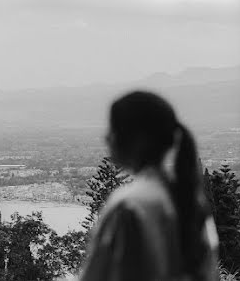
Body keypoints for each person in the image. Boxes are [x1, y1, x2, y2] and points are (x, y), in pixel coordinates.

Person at [80, 91, 218, 281]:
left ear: (138, 139)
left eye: (113, 129)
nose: (106, 138)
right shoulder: (191, 201)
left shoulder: (129, 205)